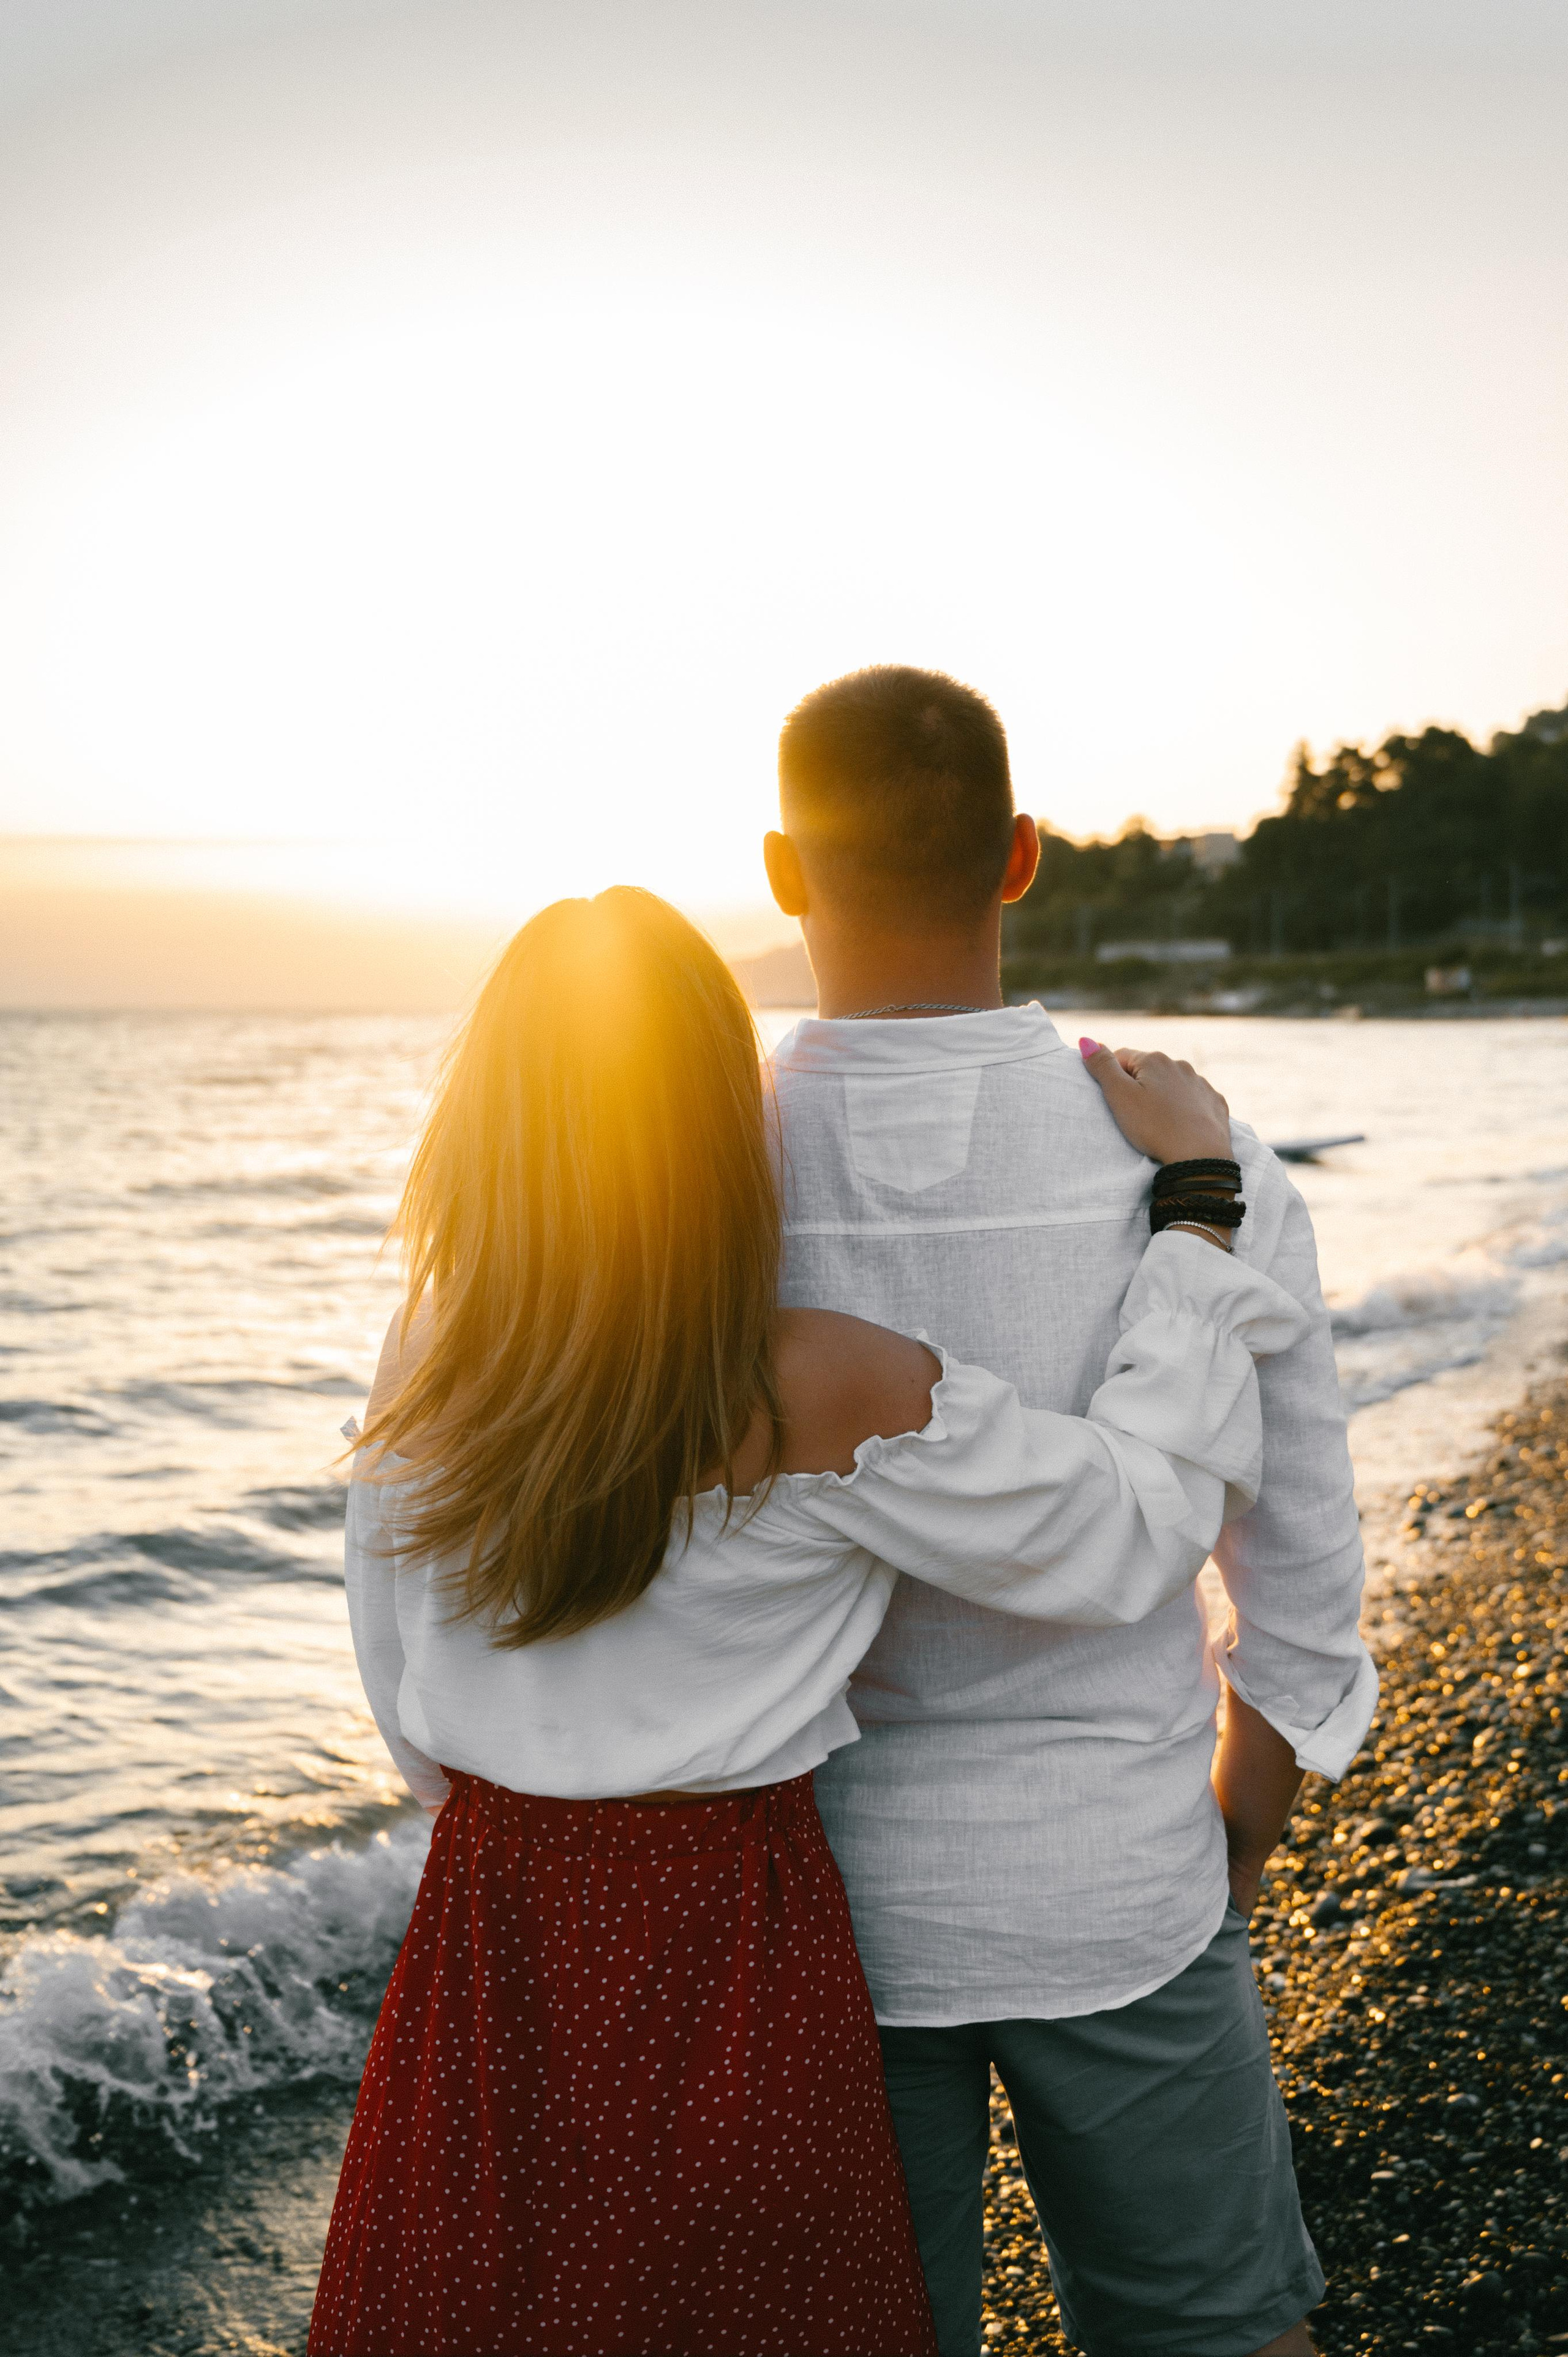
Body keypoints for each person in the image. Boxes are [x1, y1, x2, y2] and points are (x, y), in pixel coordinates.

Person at [306, 885, 1308, 2357]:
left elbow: (401, 1697)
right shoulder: (810, 1382)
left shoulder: (431, 1355)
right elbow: (1133, 1532)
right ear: (726, 1110)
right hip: (723, 1939)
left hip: (495, 1933)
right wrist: (1196, 1207)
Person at [763, 665, 1379, 2357]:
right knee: (1216, 2337)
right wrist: (1236, 1829)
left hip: (808, 1908)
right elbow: (1303, 1543)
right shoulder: (1192, 1150)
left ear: (779, 869)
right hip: (1120, 1867)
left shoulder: (703, 1168)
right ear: (1022, 856)